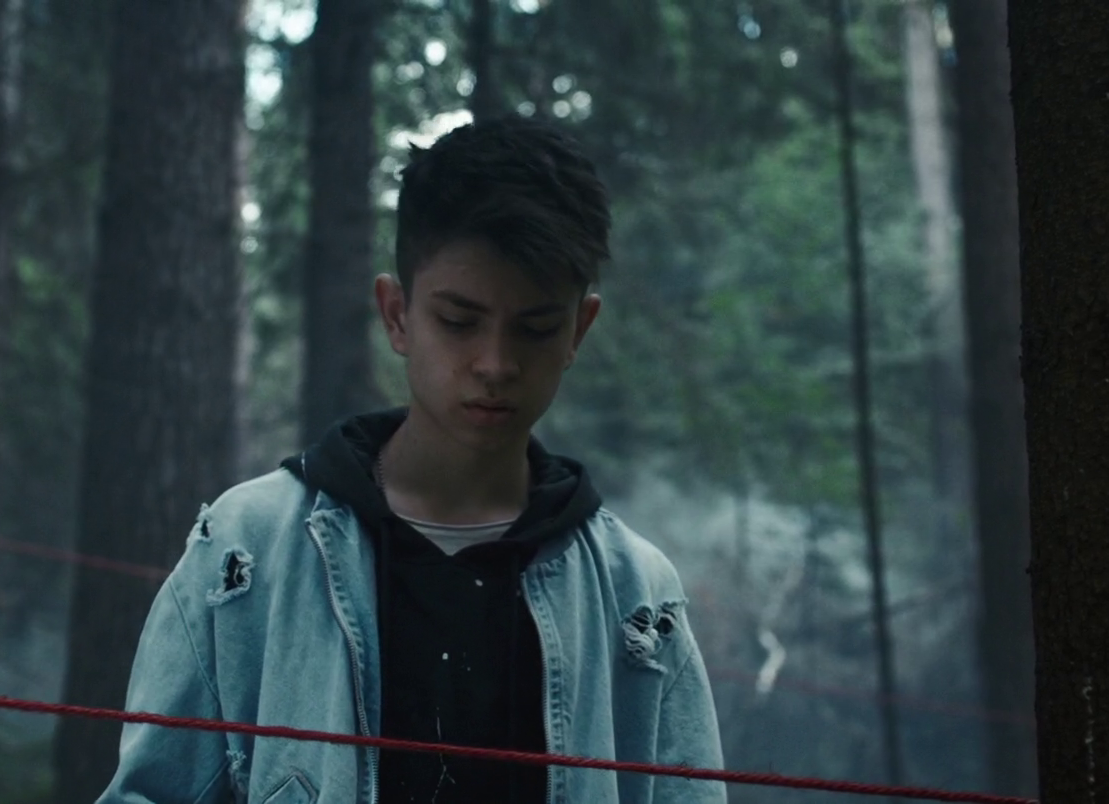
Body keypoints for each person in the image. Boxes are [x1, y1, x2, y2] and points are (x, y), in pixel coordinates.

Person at [97, 115, 725, 804]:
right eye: (459, 322)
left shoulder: (636, 596)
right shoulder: (247, 552)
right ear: (397, 315)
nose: (495, 363)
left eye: (535, 328)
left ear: (579, 328)